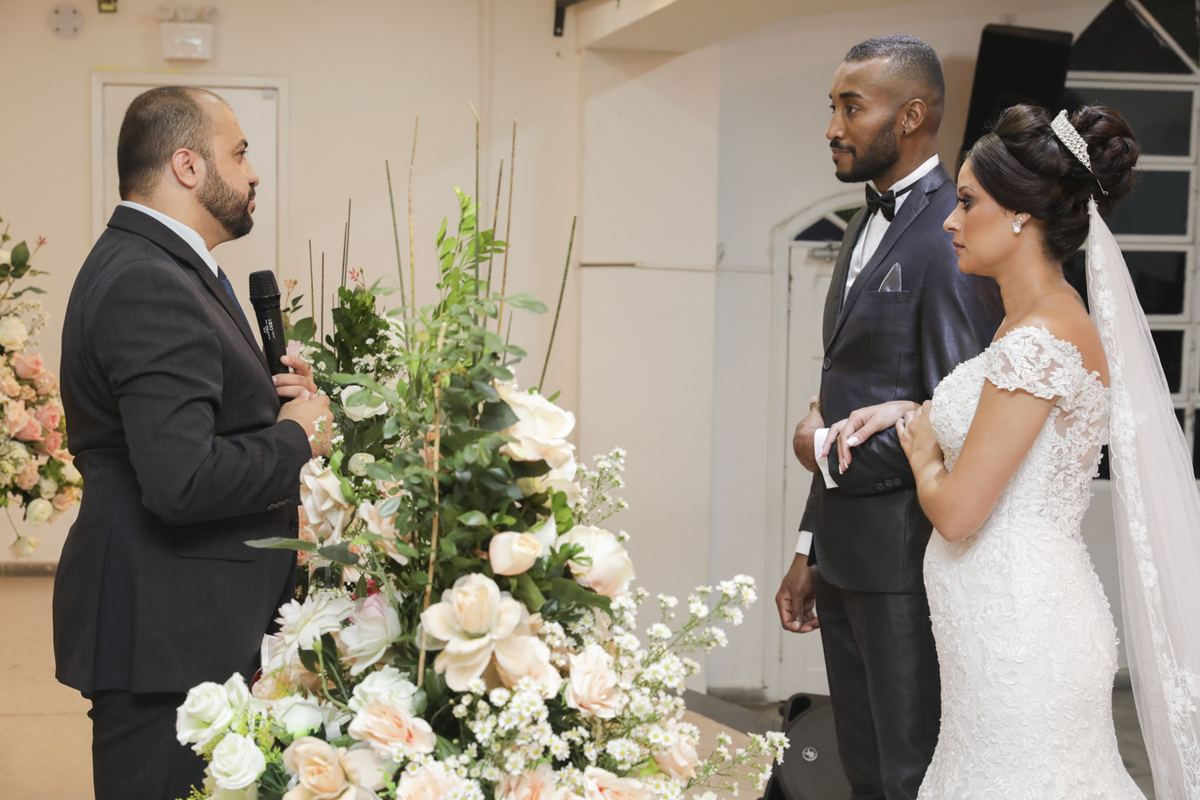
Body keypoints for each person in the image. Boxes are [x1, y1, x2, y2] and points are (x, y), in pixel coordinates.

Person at [832, 103, 1155, 796]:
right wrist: (912, 408)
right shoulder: (1033, 320)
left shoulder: (1039, 339)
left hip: (1019, 633)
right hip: (1002, 623)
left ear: (1020, 216)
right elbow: (1000, 431)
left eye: (967, 202)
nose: (950, 220)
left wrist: (921, 452)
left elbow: (958, 512)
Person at [53, 86, 332, 800]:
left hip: (185, 619)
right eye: (238, 153)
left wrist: (268, 402)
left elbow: (185, 424)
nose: (253, 172)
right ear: (186, 165)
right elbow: (181, 480)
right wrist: (295, 440)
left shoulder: (169, 265)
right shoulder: (149, 278)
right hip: (169, 631)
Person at [773, 35, 1003, 800]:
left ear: (910, 117)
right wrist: (810, 545)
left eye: (851, 106)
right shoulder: (858, 230)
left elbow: (958, 419)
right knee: (865, 776)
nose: (833, 126)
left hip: (909, 566)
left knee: (910, 777)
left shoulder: (950, 237)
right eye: (832, 106)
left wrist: (821, 449)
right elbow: (842, 397)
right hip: (845, 557)